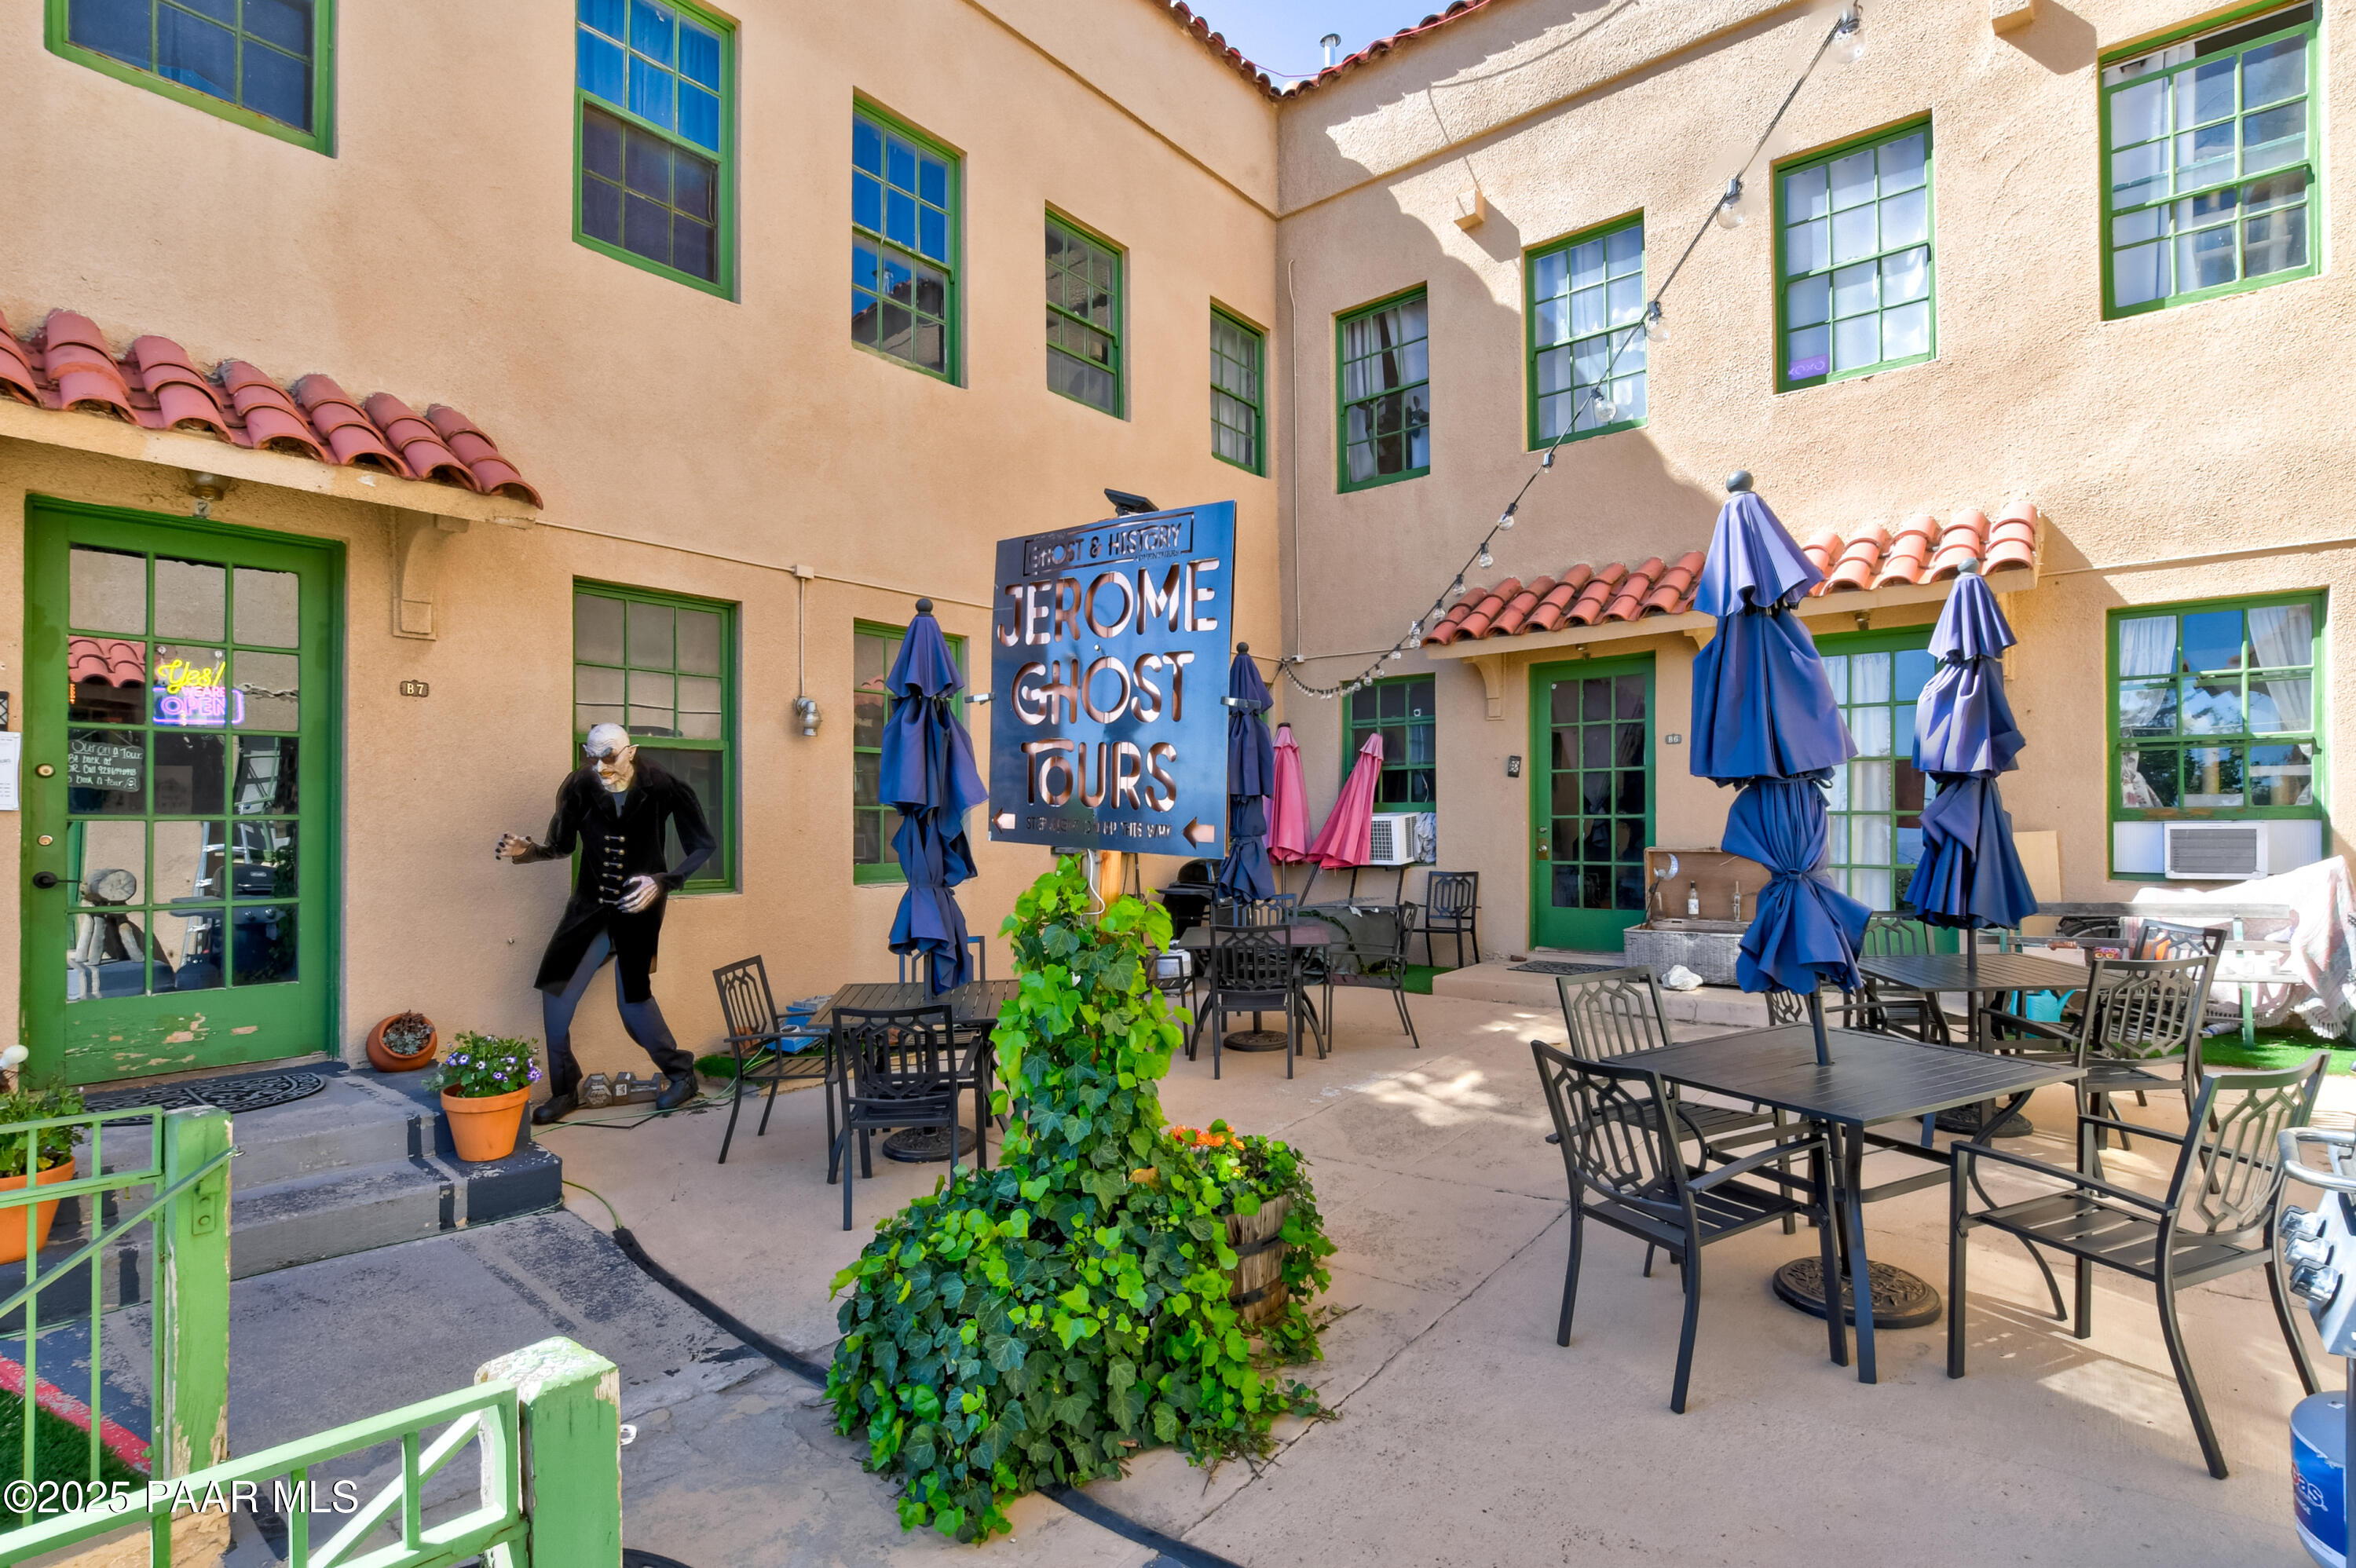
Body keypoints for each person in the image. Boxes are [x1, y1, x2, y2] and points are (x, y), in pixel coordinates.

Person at [496, 724, 712, 1123]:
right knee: (555, 996)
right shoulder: (580, 785)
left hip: (638, 908)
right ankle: (566, 1090)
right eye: (592, 756)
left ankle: (682, 1074)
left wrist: (664, 881)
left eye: (609, 756)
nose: (600, 766)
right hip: (587, 910)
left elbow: (703, 845)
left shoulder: (663, 785)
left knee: (633, 1003)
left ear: (631, 752)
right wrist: (529, 852)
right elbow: (561, 846)